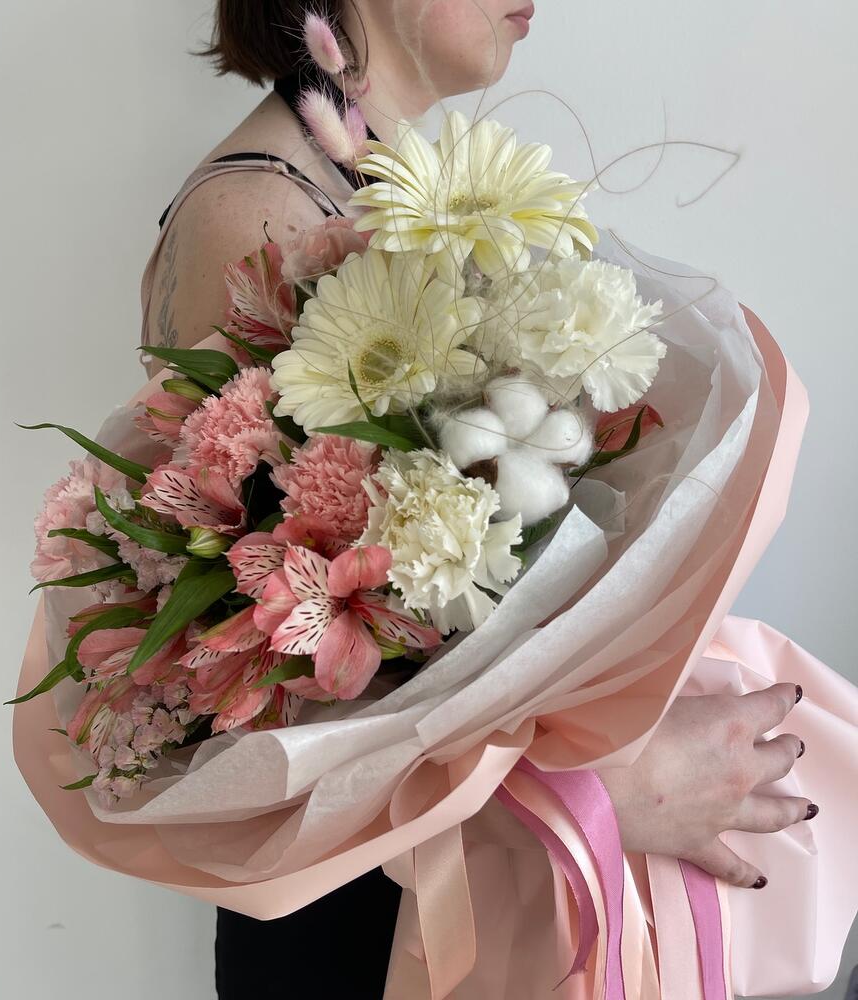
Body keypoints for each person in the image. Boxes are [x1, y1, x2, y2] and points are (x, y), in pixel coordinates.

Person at [137, 3, 817, 996]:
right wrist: (598, 783)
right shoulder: (255, 214)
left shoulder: (379, 182)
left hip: (445, 894)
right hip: (361, 928)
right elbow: (254, 682)